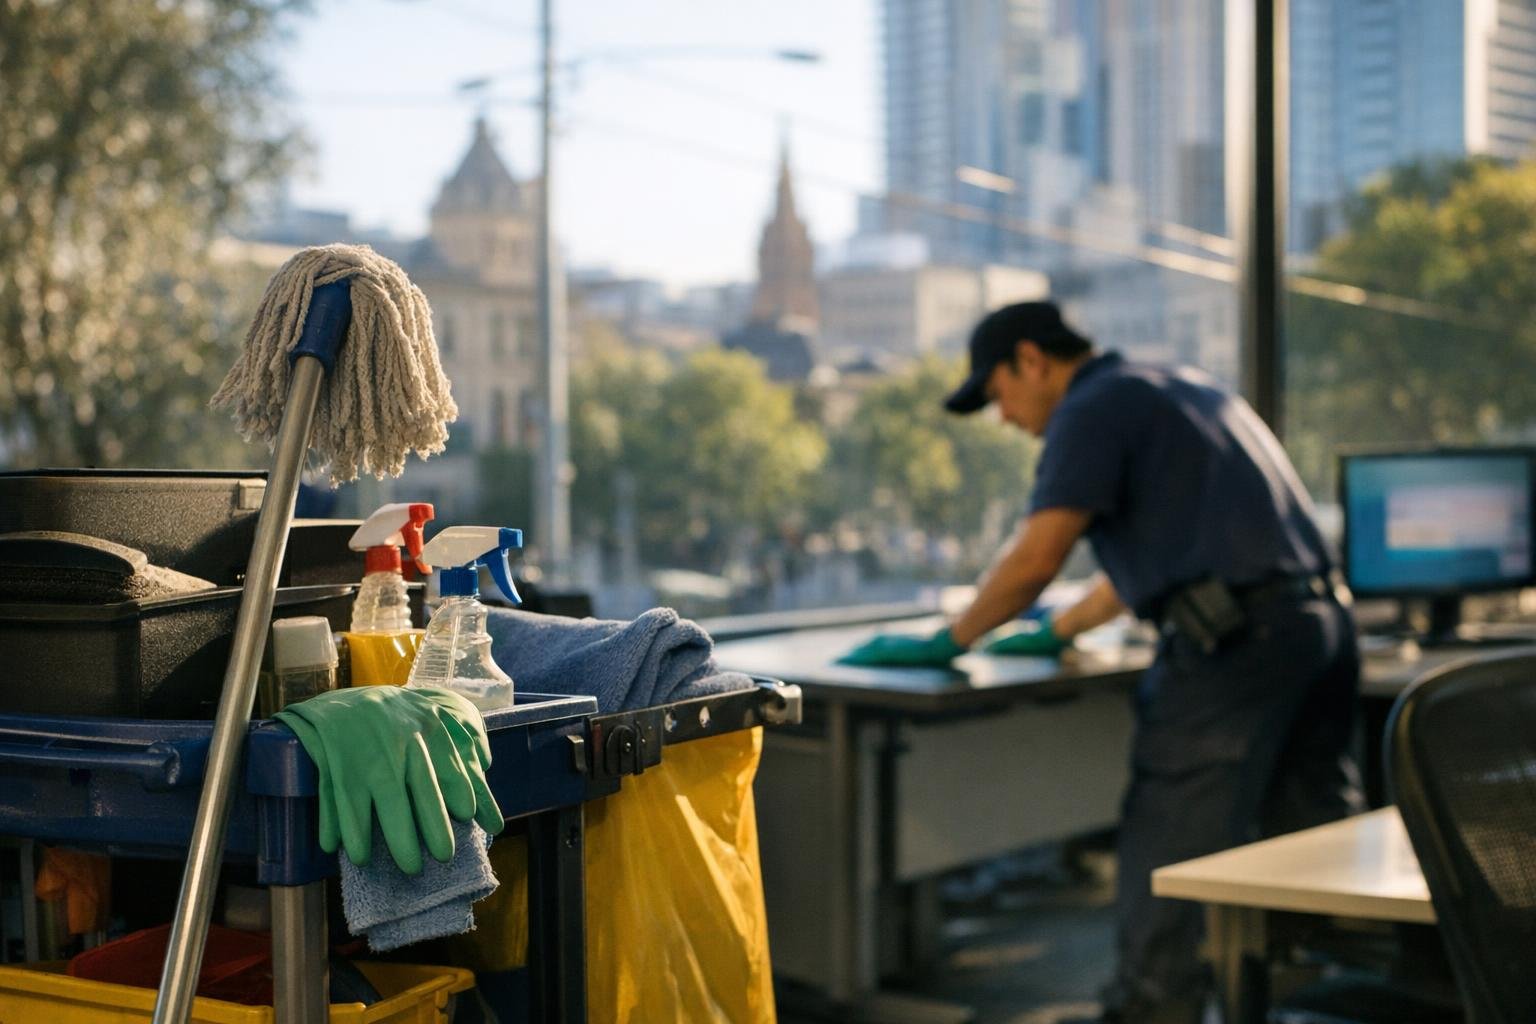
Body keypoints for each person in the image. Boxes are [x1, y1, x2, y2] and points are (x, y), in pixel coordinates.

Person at [839, 301, 1364, 1024]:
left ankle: (1151, 1012)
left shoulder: (1090, 408)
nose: (1003, 418)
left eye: (998, 395)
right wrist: (1060, 629)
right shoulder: (1177, 386)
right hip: (1320, 631)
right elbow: (1146, 565)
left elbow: (1036, 557)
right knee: (1308, 845)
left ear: (1032, 359)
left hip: (1239, 648)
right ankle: (1330, 1001)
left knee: (1170, 847)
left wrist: (951, 639)